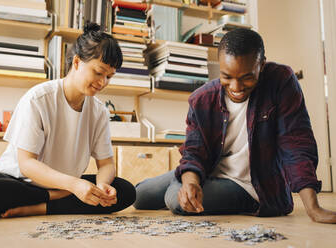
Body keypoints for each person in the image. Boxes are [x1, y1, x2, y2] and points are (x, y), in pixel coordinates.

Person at [134, 28, 336, 224]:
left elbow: (295, 143)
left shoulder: (280, 81)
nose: (236, 87)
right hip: (212, 168)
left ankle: (187, 181)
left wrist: (314, 208)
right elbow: (194, 152)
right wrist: (191, 181)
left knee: (174, 199)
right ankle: (187, 178)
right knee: (140, 195)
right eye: (227, 77)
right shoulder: (202, 98)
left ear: (262, 65)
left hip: (252, 186)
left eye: (247, 77)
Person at [0, 22, 136, 217]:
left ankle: (37, 208)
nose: (103, 82)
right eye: (98, 72)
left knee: (126, 190)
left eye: (109, 77)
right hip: (22, 182)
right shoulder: (38, 98)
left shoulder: (99, 111)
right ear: (77, 62)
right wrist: (72, 186)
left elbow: (106, 164)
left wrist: (102, 185)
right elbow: (26, 164)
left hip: (65, 185)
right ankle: (56, 198)